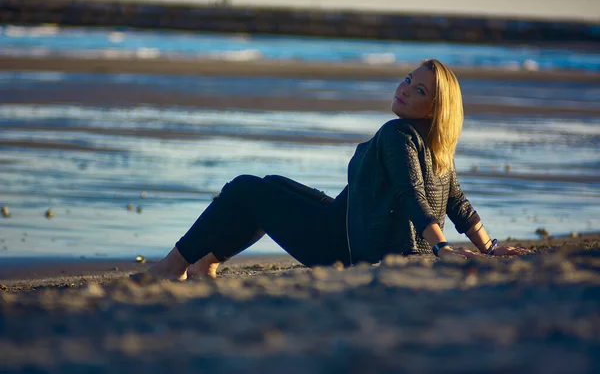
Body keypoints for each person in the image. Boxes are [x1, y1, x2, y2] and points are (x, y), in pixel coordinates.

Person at [146, 59, 528, 281]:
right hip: (349, 223)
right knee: (270, 185)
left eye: (420, 91)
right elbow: (458, 203)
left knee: (247, 189)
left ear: (434, 110)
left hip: (341, 243)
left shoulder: (398, 134)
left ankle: (174, 265)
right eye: (409, 80)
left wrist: (442, 248)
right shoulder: (436, 145)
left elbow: (414, 195)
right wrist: (489, 247)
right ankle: (204, 265)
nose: (405, 88)